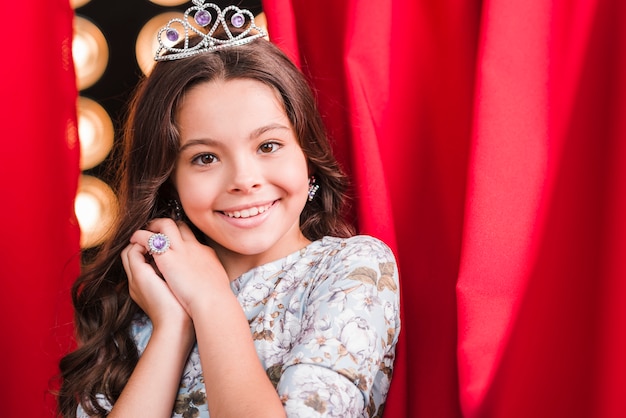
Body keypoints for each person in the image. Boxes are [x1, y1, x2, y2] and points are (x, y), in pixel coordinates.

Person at [58, 3, 400, 417]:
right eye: (205, 158)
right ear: (169, 181)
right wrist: (171, 328)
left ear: (307, 156)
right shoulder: (143, 302)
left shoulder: (351, 268)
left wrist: (210, 299)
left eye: (268, 146)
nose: (244, 179)